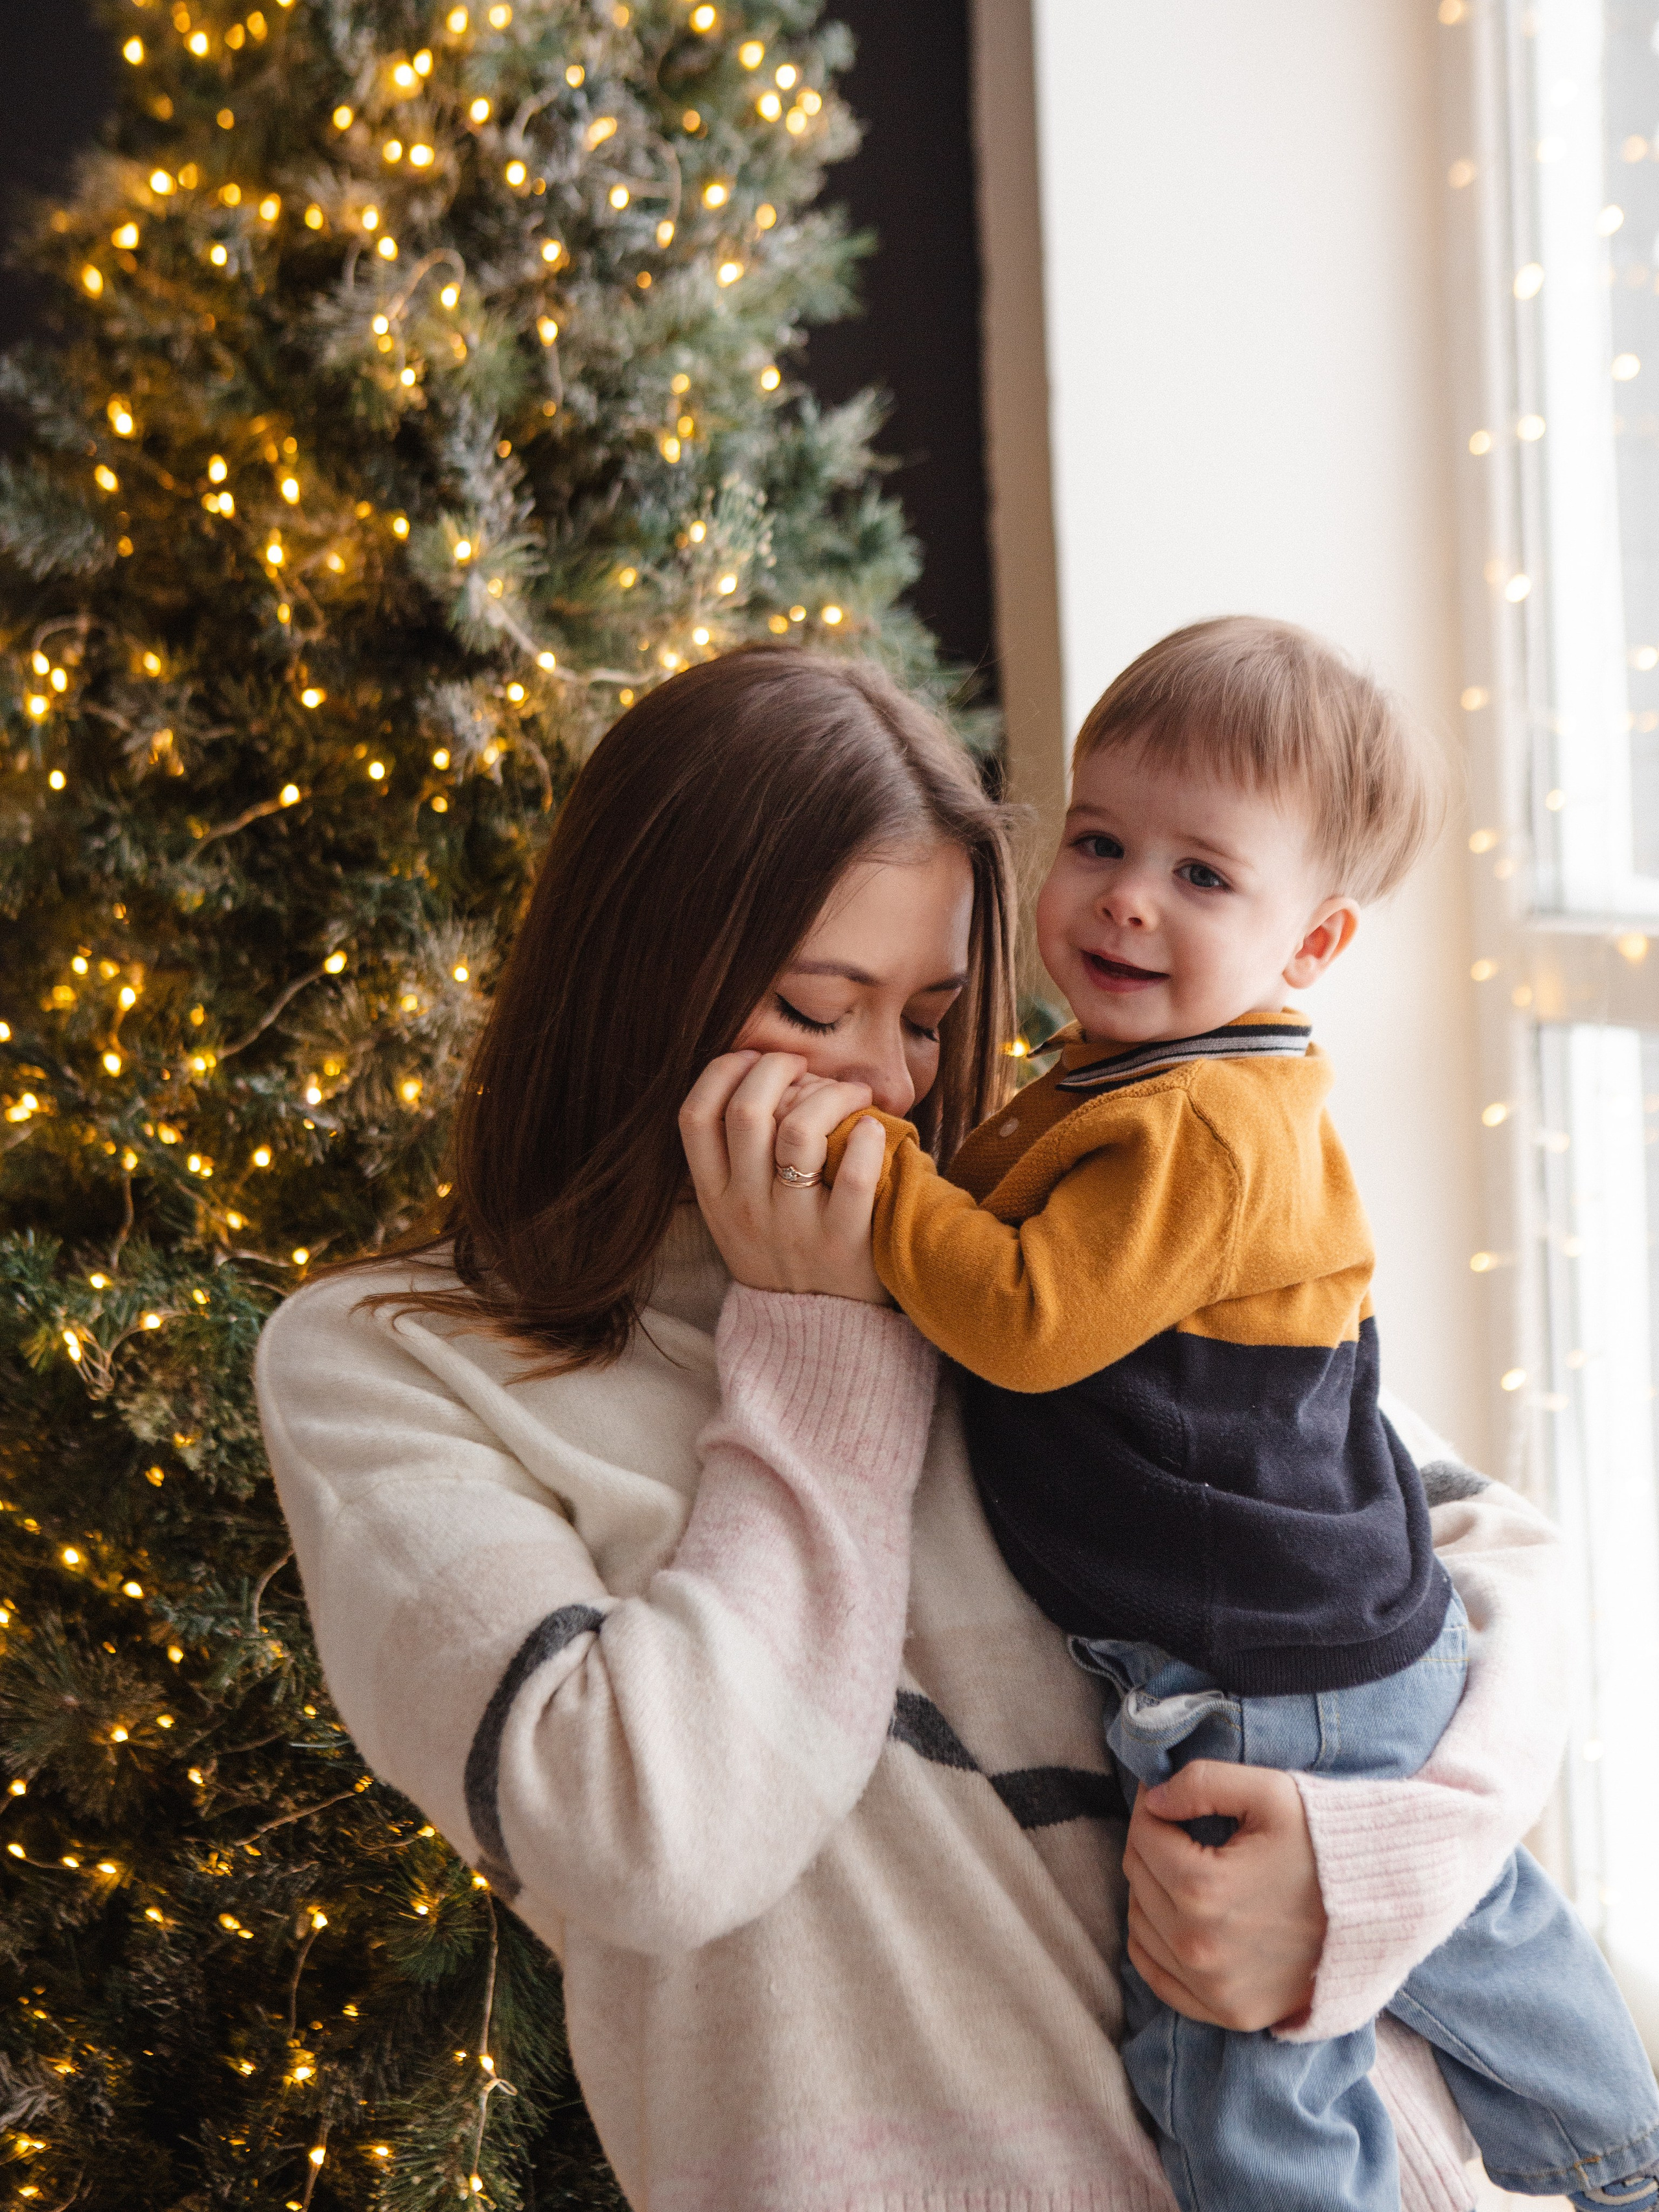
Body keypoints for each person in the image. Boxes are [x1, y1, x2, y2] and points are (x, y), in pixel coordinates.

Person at [258, 644, 1570, 2212]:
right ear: (638, 990)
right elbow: (649, 1838)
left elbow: (1490, 1560)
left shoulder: (997, 1247)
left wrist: (1369, 1871)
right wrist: (813, 1342)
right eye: (818, 1009)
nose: (884, 1085)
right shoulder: (387, 1363)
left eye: (934, 1020)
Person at [776, 620, 1658, 2212]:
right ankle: (1613, 2144)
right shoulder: (1131, 1074)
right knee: (1465, 1925)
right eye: (1101, 840)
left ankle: (1583, 2152)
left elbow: (1028, 1320)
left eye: (1201, 876)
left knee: (1235, 2033)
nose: (1125, 896)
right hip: (1327, 1628)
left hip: (1252, 1670)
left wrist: (885, 1177)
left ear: (1309, 945)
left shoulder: (1201, 1126)